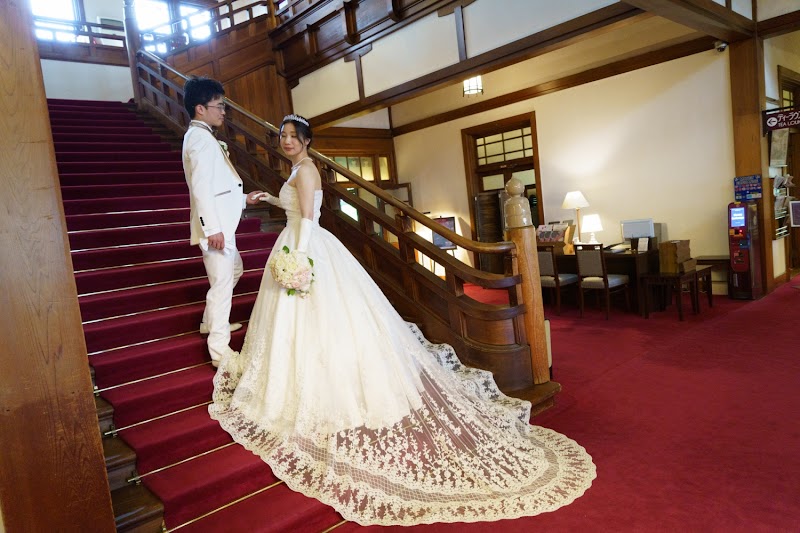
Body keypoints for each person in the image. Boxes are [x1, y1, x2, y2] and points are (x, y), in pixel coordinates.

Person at [209, 114, 596, 526]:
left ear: (306, 141)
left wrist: (298, 260)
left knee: (322, 323)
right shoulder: (297, 170)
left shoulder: (306, 170)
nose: (286, 141)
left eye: (292, 136)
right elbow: (296, 208)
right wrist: (270, 200)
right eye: (282, 136)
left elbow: (306, 218)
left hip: (304, 248)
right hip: (299, 242)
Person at [182, 76, 263, 366]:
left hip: (222, 224)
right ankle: (219, 351)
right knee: (221, 286)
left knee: (235, 270)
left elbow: (218, 187)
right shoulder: (200, 139)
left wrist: (243, 199)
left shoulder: (202, 136)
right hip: (216, 228)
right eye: (219, 106)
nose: (223, 112)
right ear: (200, 108)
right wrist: (212, 229)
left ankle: (209, 322)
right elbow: (201, 188)